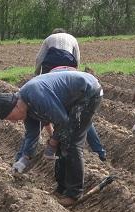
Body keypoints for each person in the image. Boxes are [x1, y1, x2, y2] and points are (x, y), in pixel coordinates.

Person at [0, 70, 103, 207]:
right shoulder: (25, 106)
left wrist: (52, 143)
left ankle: (74, 194)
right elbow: (32, 135)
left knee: (72, 142)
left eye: (10, 117)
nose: (13, 122)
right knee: (62, 140)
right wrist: (23, 159)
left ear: (15, 106)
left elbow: (63, 121)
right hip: (72, 98)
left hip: (88, 93)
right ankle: (61, 188)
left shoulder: (36, 95)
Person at [34, 30, 106, 161]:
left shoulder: (49, 38)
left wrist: (36, 76)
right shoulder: (72, 38)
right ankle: (99, 151)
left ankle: (57, 143)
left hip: (51, 77)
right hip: (72, 78)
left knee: (53, 111)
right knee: (83, 117)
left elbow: (39, 58)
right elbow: (77, 59)